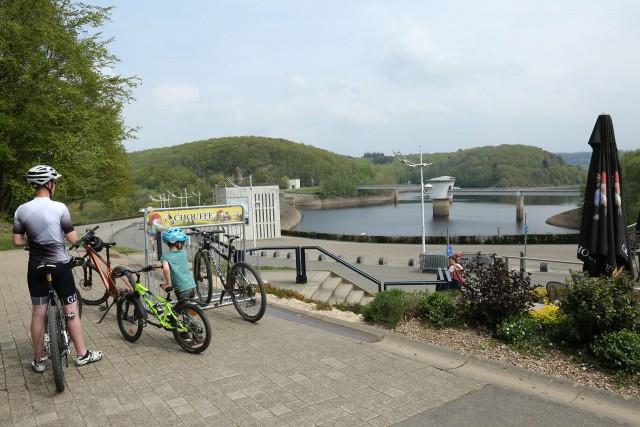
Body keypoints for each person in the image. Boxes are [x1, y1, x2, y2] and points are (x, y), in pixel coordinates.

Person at [12, 165, 103, 372]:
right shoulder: (59, 207)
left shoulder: (21, 210)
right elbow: (72, 238)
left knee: (37, 314)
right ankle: (82, 354)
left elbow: (17, 241)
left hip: (35, 266)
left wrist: (34, 240)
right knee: (71, 310)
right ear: (50, 184)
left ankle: (38, 360)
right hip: (60, 266)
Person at [154, 227, 196, 301]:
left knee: (182, 310)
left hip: (182, 289)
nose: (182, 244)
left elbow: (166, 269)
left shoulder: (165, 257)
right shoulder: (184, 253)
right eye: (182, 242)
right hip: (192, 286)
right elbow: (177, 260)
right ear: (178, 244)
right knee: (188, 307)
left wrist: (168, 284)